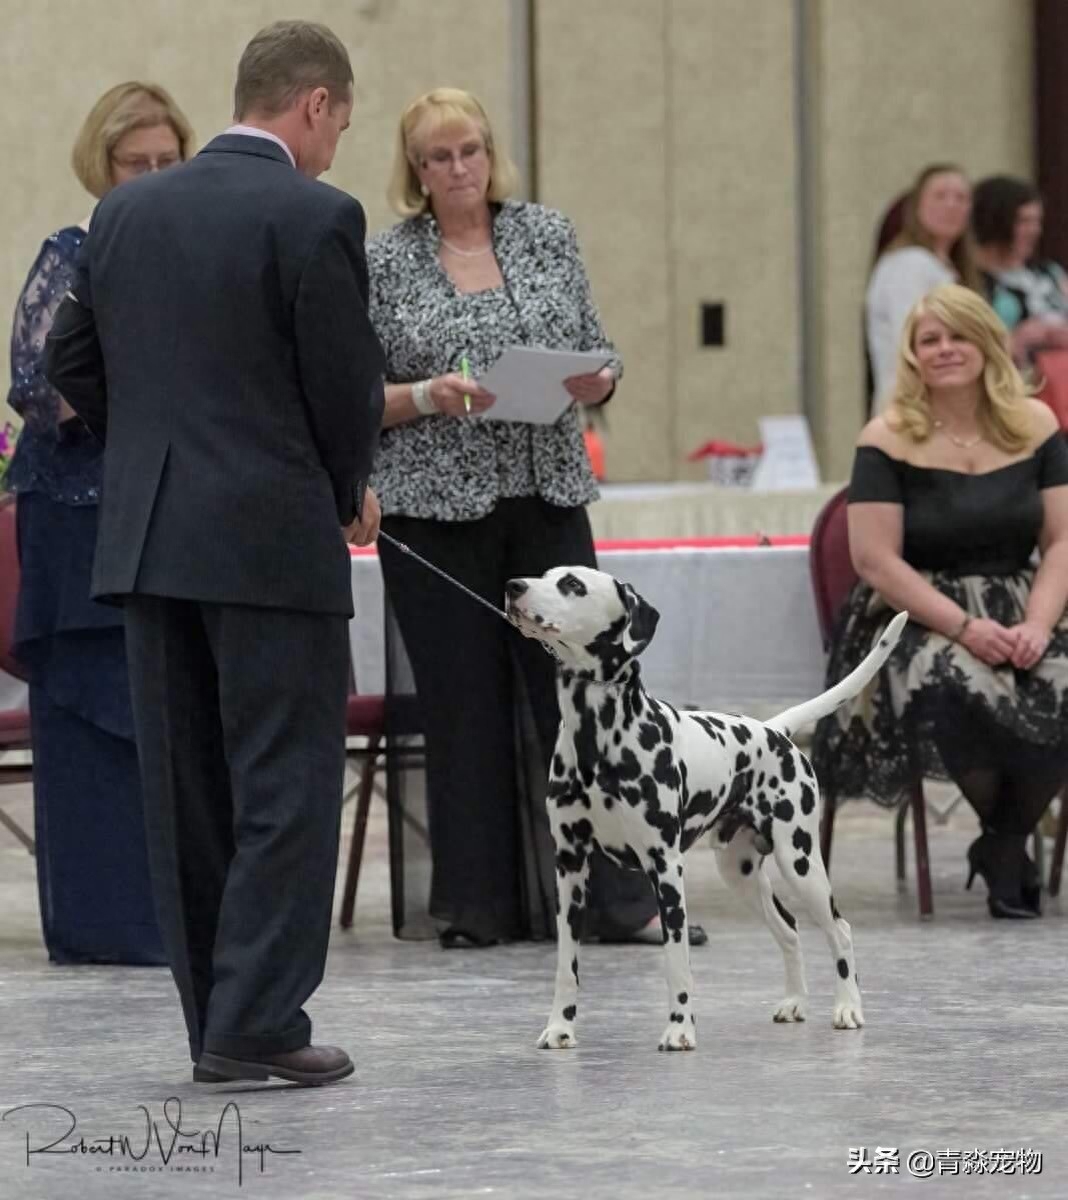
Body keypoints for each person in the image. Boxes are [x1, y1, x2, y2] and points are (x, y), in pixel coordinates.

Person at [44, 20, 384, 1086]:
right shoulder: (317, 214)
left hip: (149, 542)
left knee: (186, 791)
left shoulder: (125, 209)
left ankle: (214, 1026)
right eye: (339, 121)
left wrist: (148, 446)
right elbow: (343, 390)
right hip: (271, 540)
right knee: (283, 782)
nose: (334, 144)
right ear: (316, 105)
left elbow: (70, 362)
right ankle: (262, 1021)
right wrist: (342, 490)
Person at [366, 87, 668, 949]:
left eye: (471, 151)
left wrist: (600, 381)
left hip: (545, 493)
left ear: (492, 155)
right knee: (462, 706)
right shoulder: (384, 262)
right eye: (439, 157)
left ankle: (619, 898)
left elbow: (598, 348)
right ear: (415, 172)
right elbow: (358, 398)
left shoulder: (546, 232)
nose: (459, 169)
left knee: (582, 696)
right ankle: (477, 904)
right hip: (435, 509)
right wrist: (430, 394)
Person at [5, 82, 194, 965]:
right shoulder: (72, 254)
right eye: (136, 164)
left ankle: (175, 917)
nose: (153, 177)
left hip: (167, 513)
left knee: (166, 719)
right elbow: (37, 386)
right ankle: (103, 922)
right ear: (103, 167)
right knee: (92, 719)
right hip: (77, 518)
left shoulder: (198, 253)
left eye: (167, 162)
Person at [812, 284, 1068, 920]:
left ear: (987, 343)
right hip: (916, 610)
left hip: (1021, 595)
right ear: (912, 355)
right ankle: (1009, 853)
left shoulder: (1037, 426)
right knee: (951, 678)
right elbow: (875, 561)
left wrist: (1037, 623)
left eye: (958, 335)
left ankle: (1003, 842)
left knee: (1060, 675)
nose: (945, 349)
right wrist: (966, 627)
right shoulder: (887, 437)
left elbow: (1063, 539)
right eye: (930, 339)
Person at [866, 164, 980, 410]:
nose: (951, 205)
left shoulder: (950, 268)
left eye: (961, 198)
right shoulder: (910, 264)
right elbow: (910, 340)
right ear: (917, 206)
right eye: (940, 196)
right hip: (915, 408)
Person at [972, 174, 1068, 363]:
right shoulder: (972, 282)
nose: (1034, 230)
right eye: (1023, 221)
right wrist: (1016, 340)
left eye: (1037, 221)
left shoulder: (1050, 273)